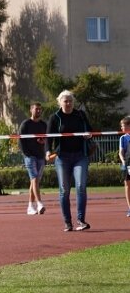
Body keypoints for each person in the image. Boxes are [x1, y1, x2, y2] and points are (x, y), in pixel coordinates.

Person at [46, 90, 92, 232]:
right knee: (64, 190)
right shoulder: (55, 117)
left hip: (80, 156)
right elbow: (49, 137)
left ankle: (81, 220)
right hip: (62, 157)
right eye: (65, 101)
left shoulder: (80, 115)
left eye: (70, 101)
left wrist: (88, 135)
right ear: (60, 102)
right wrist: (47, 151)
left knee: (80, 186)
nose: (68, 103)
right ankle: (67, 222)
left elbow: (90, 131)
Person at [19, 102, 48, 215]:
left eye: (40, 109)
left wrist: (43, 142)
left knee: (34, 181)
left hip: (40, 156)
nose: (39, 111)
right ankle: (39, 203)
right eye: (36, 109)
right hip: (29, 156)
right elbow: (20, 141)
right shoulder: (25, 124)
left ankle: (30, 206)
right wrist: (26, 154)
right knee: (34, 178)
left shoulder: (43, 125)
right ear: (31, 110)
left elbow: (47, 140)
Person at [119, 116, 130, 217]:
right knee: (127, 185)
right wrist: (123, 161)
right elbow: (121, 152)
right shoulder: (123, 138)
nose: (122, 128)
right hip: (127, 164)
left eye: (123, 126)